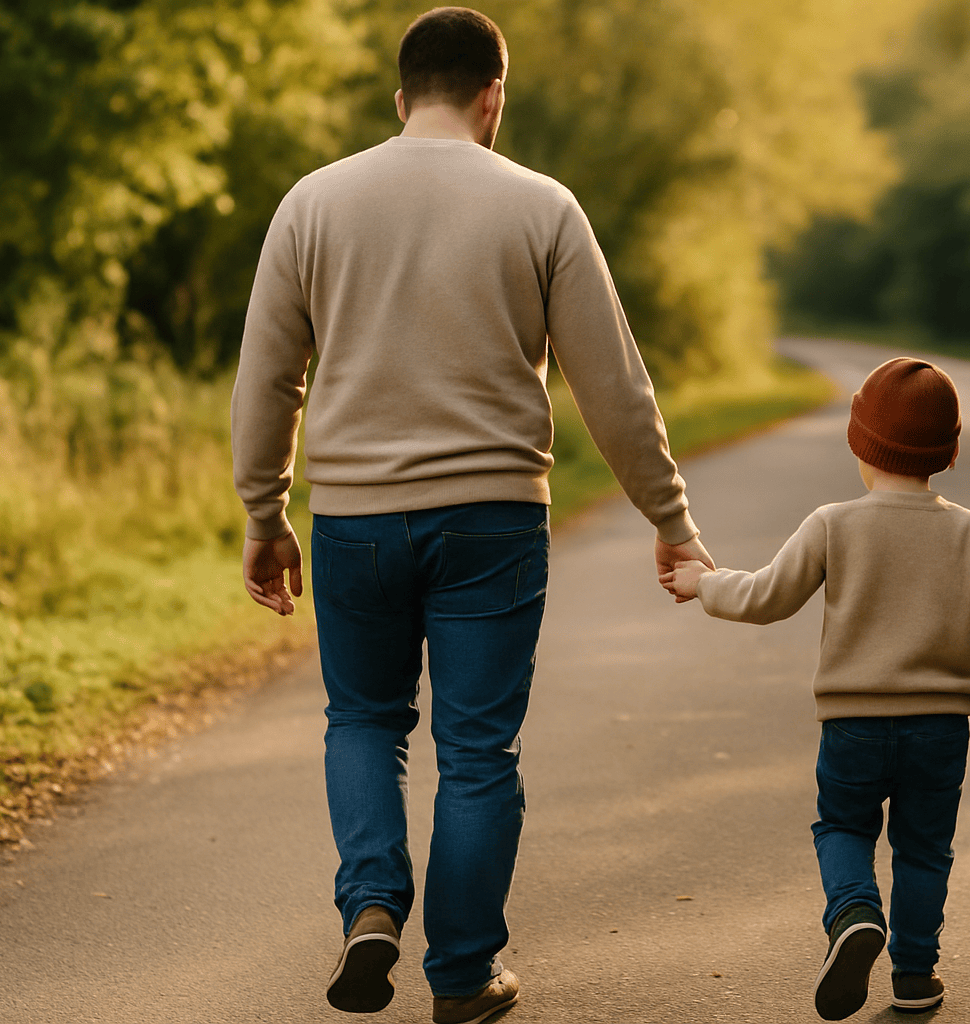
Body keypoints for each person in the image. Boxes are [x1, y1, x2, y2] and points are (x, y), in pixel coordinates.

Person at [231, 8, 713, 1021]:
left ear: (399, 94)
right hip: (494, 517)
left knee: (364, 717)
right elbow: (614, 386)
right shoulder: (542, 206)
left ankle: (369, 903)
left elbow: (270, 379)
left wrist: (264, 512)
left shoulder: (313, 202)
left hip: (356, 519)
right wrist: (670, 517)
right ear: (494, 94)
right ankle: (462, 976)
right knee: (478, 749)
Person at [662, 357, 970, 1020]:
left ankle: (853, 910)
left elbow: (766, 596)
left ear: (861, 445)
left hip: (852, 726)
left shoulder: (833, 524)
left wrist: (701, 583)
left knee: (843, 824)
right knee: (924, 847)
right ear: (950, 453)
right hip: (939, 730)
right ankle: (913, 976)